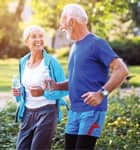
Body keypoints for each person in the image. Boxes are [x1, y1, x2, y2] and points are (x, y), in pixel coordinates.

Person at [44, 4, 129, 150]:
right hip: (74, 112)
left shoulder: (97, 43)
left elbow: (121, 70)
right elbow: (77, 80)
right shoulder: (75, 47)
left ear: (72, 21)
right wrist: (57, 86)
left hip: (91, 111)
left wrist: (101, 94)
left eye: (63, 20)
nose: (61, 26)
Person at [12, 25, 68, 150]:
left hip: (47, 112)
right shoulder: (23, 62)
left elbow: (64, 88)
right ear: (27, 41)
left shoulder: (51, 63)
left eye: (41, 36)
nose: (38, 39)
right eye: (34, 36)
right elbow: (24, 88)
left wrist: (43, 92)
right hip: (27, 112)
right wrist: (18, 92)